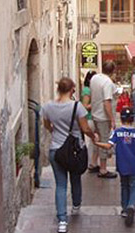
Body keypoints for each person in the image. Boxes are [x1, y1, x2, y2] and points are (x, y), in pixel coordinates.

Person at [42, 77, 97, 233]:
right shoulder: (77, 107)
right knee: (75, 178)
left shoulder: (47, 107)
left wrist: (54, 130)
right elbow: (85, 128)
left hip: (56, 150)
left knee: (60, 184)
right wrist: (94, 137)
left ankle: (62, 221)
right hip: (74, 149)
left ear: (58, 89)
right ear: (72, 89)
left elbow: (47, 125)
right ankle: (76, 204)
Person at [93, 107, 135, 227]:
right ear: (133, 119)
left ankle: (124, 209)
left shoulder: (117, 132)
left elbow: (108, 146)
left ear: (121, 119)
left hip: (122, 165)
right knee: (134, 186)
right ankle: (132, 206)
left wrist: (96, 143)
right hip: (134, 165)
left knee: (124, 186)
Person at [89, 60, 118, 178]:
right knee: (104, 142)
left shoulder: (95, 78)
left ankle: (93, 163)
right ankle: (103, 169)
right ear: (113, 71)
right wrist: (112, 119)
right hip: (103, 116)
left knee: (97, 140)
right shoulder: (108, 82)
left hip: (95, 113)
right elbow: (107, 102)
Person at [81, 71, 98, 171]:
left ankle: (92, 163)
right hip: (89, 119)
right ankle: (91, 163)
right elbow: (85, 106)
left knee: (94, 142)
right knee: (93, 142)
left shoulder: (90, 90)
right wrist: (96, 104)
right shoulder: (87, 90)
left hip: (92, 118)